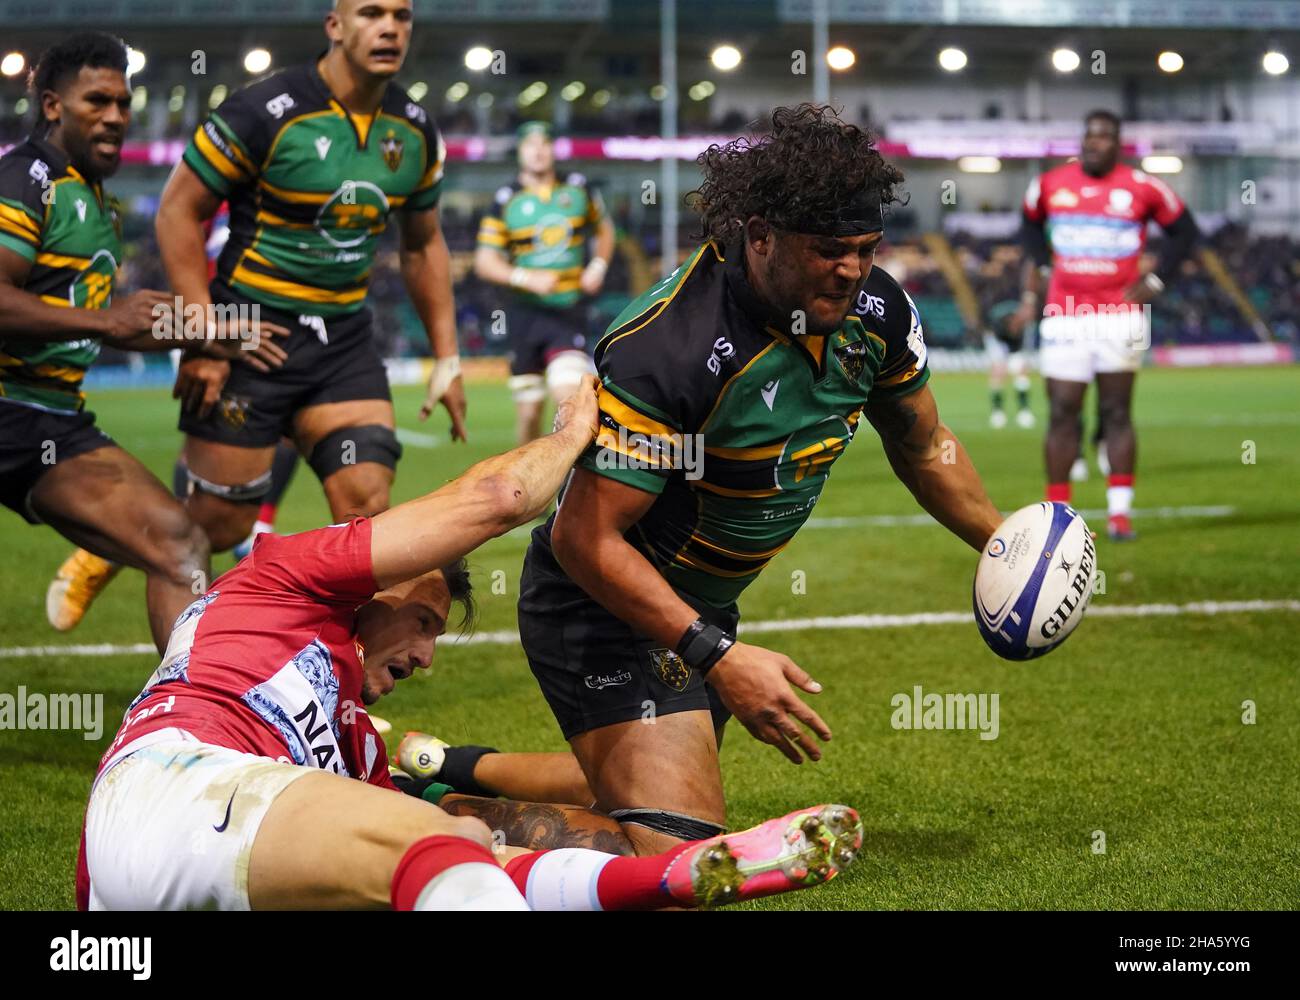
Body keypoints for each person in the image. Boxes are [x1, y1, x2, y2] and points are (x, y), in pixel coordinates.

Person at [437, 105, 1004, 857]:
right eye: (830, 250)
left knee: (624, 792)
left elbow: (922, 441)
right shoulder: (669, 349)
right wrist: (719, 656)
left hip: (697, 609)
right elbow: (584, 538)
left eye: (867, 249)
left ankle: (433, 773)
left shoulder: (877, 311)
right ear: (759, 235)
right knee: (673, 857)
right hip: (603, 610)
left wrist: (1007, 548)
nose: (852, 270)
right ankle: (422, 830)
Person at [78, 375, 864, 911]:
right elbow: (498, 497)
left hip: (194, 861)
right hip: (176, 787)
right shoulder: (279, 579)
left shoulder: (349, 748)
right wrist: (572, 434)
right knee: (446, 845)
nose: (425, 656)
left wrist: (667, 871)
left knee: (463, 853)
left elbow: (510, 840)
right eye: (423, 621)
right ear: (374, 586)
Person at [48, 0, 468, 624]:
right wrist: (203, 333)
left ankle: (340, 683)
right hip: (251, 335)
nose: (389, 28)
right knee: (215, 526)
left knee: (369, 504)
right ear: (335, 26)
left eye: (402, 16)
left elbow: (422, 242)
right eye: (371, 13)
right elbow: (178, 211)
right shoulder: (262, 110)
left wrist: (447, 355)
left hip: (344, 345)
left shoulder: (412, 130)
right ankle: (108, 555)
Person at [1, 33, 278, 652]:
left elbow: (107, 317)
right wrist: (109, 322)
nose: (115, 116)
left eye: (123, 103)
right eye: (97, 100)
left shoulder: (98, 200)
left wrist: (212, 336)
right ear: (51, 105)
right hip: (10, 408)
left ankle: (192, 726)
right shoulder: (27, 179)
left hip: (44, 419)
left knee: (179, 545)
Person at [1009, 109, 1199, 541]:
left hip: (1120, 315)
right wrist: (1042, 263)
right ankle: (1058, 517)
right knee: (1062, 412)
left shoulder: (1143, 187)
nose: (1093, 143)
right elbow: (1027, 226)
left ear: (1118, 144)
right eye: (1088, 136)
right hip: (1064, 313)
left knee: (1116, 412)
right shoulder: (1051, 184)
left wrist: (1157, 279)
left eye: (1103, 137)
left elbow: (1186, 232)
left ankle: (1119, 515)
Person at [474, 120, 616, 445]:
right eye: (530, 145)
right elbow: (485, 261)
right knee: (529, 413)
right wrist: (525, 277)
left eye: (545, 144)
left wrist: (597, 265)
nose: (538, 151)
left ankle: (567, 489)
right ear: (520, 152)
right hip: (524, 314)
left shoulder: (579, 189)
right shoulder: (506, 200)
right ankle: (529, 490)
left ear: (554, 149)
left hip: (567, 311)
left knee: (568, 399)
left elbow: (604, 228)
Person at [983, 298, 1035, 429]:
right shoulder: (997, 326)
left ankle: (1024, 412)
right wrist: (999, 363)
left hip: (1015, 349)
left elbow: (1025, 349)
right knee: (998, 372)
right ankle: (997, 412)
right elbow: (994, 345)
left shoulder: (1026, 328)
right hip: (998, 345)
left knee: (1022, 373)